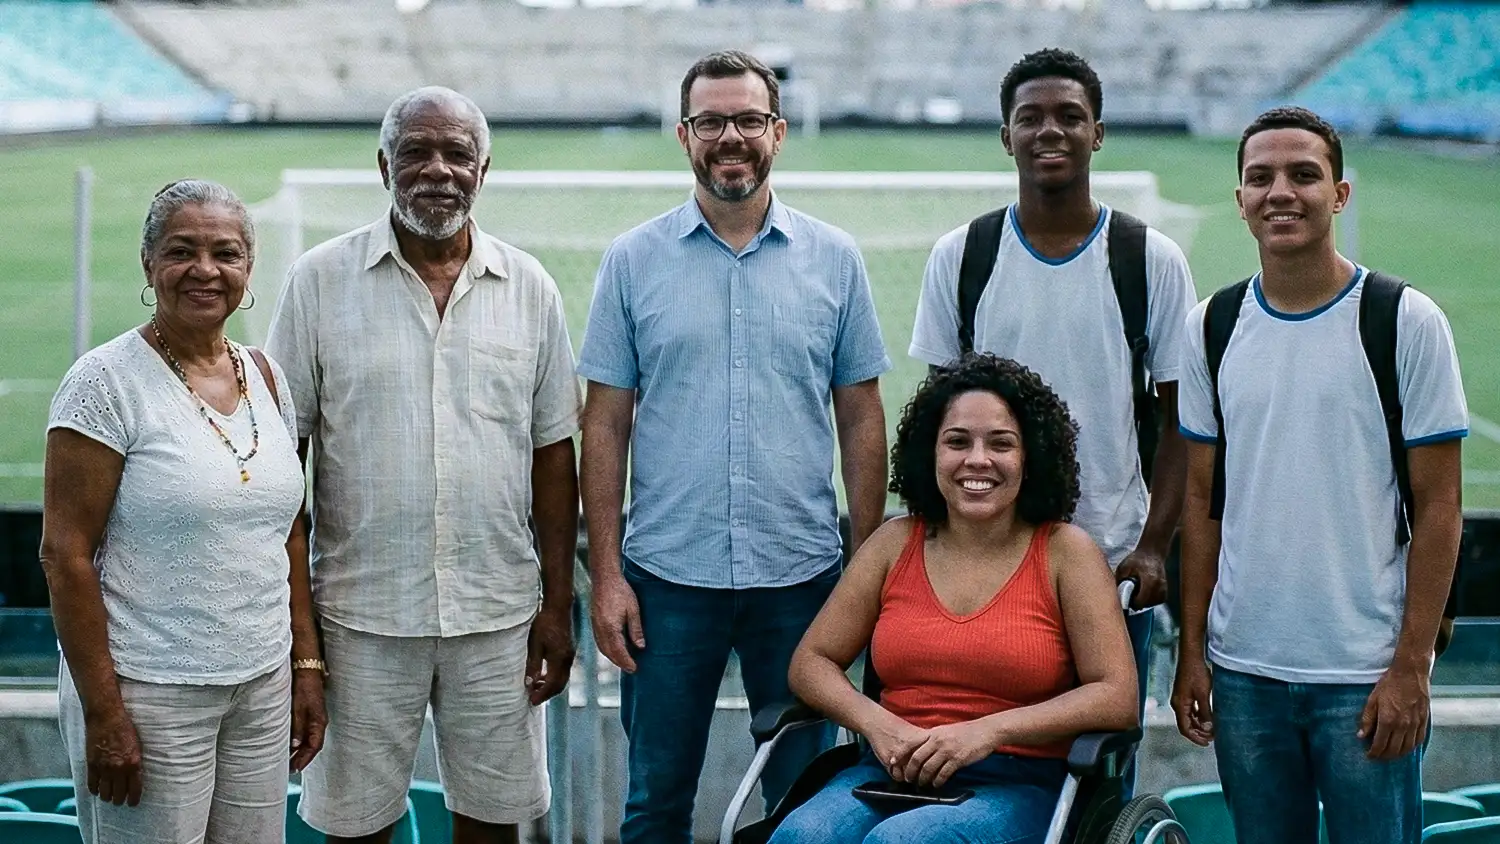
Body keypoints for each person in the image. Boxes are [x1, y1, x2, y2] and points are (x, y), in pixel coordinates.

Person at [578, 49, 892, 844]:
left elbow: (860, 415)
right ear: (684, 134)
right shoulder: (631, 260)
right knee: (654, 806)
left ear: (777, 132)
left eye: (748, 119)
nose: (731, 137)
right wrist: (607, 575)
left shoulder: (835, 258)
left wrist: (865, 564)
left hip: (800, 578)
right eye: (712, 121)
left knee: (804, 808)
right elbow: (605, 423)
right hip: (667, 583)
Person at [264, 86, 582, 844]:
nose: (436, 170)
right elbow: (283, 471)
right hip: (358, 617)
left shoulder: (530, 287)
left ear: (483, 169)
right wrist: (301, 643)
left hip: (498, 613)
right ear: (383, 166)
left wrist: (557, 606)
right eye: (416, 152)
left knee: (493, 823)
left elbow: (552, 458)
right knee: (356, 826)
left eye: (457, 154)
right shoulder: (317, 281)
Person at [1172, 106, 1468, 844]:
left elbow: (1440, 508)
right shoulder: (1210, 325)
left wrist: (1411, 667)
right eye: (1259, 177)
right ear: (1239, 199)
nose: (1281, 192)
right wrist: (1192, 654)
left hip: (1365, 674)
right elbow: (1203, 499)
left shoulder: (1405, 319)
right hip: (1244, 674)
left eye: (1304, 174)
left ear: (1340, 193)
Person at [908, 49, 1196, 782]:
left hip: (1110, 562)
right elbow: (941, 423)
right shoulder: (962, 255)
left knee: (1100, 775)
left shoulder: (1149, 258)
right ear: (1005, 137)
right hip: (989, 567)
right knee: (988, 765)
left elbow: (1182, 424)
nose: (1050, 131)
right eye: (1029, 117)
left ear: (1098, 132)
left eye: (1070, 116)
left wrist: (1155, 545)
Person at [40, 179, 325, 844]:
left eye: (225, 253)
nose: (205, 270)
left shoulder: (267, 376)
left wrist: (305, 668)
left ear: (248, 270)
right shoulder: (104, 383)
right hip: (150, 693)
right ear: (149, 265)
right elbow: (64, 556)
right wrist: (106, 716)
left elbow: (287, 533)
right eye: (181, 251)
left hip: (260, 685)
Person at [768, 354, 1138, 844]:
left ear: (1030, 458)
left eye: (1001, 444)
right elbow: (811, 662)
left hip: (1020, 780)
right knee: (803, 837)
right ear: (931, 453)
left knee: (904, 843)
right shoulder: (894, 543)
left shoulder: (1066, 554)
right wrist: (878, 726)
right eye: (957, 442)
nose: (977, 460)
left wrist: (984, 732)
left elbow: (1117, 697)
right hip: (889, 770)